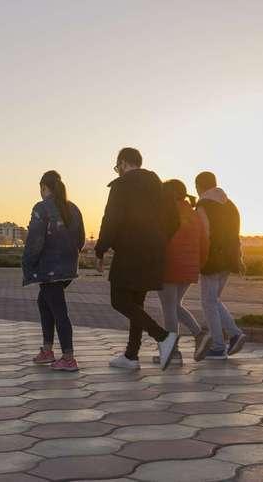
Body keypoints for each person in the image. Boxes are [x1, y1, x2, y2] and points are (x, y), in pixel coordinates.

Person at [95, 147, 180, 369]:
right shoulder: (160, 188)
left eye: (117, 167)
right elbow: (175, 221)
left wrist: (100, 249)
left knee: (119, 300)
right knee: (136, 303)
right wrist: (159, 240)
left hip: (130, 252)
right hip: (154, 253)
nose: (118, 171)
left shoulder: (122, 185)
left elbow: (111, 219)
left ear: (123, 163)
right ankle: (131, 356)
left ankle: (163, 337)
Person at [22, 171, 85, 372]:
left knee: (58, 309)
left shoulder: (42, 208)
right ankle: (48, 350)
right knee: (45, 302)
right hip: (68, 268)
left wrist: (28, 265)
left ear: (43, 187)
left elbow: (34, 242)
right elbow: (81, 239)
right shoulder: (72, 208)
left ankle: (68, 357)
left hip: (49, 269)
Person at [195, 171, 246, 360]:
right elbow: (236, 235)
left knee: (208, 302)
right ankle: (233, 335)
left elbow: (204, 233)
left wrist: (200, 259)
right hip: (230, 258)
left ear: (199, 186)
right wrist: (239, 258)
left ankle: (219, 345)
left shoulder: (204, 205)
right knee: (214, 300)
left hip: (212, 259)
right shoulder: (231, 205)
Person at [155, 179, 206, 365]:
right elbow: (204, 241)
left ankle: (174, 352)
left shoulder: (166, 212)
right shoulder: (193, 213)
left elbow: (159, 239)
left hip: (170, 265)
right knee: (175, 305)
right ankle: (199, 335)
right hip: (190, 266)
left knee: (169, 309)